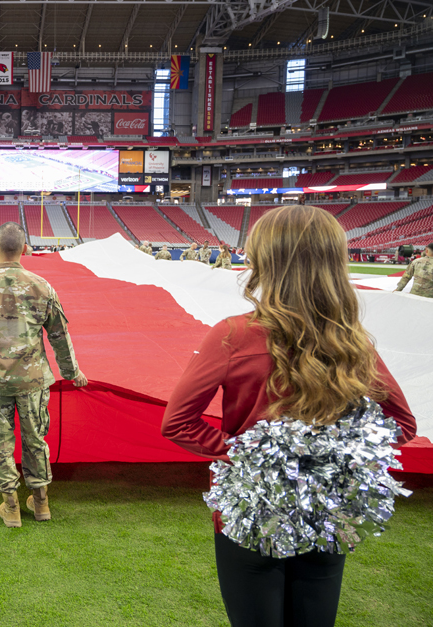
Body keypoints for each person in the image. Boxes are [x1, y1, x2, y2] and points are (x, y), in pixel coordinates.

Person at [161, 206, 416, 627]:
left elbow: (178, 423)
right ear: (334, 263)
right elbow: (401, 426)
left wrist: (248, 456)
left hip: (250, 512)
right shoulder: (353, 342)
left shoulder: (234, 334)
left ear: (265, 262)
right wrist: (329, 461)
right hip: (327, 512)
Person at [0, 222, 87, 528]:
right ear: (24, 249)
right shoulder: (42, 286)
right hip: (32, 381)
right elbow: (60, 335)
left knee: (0, 441)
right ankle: (41, 503)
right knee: (35, 439)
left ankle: (10, 506)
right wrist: (72, 372)